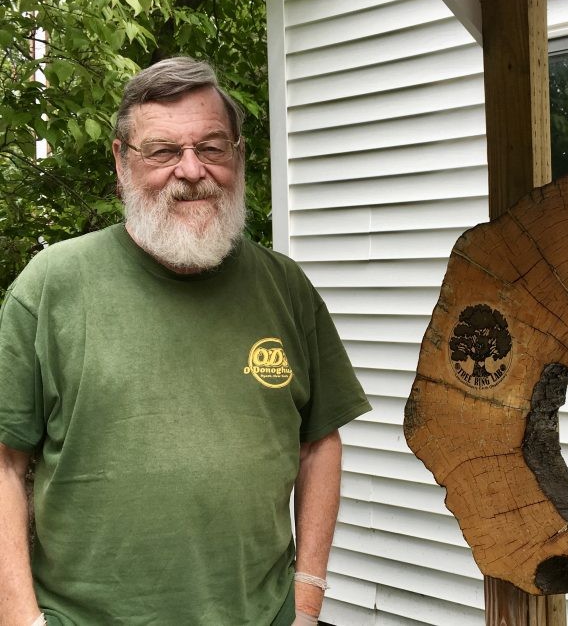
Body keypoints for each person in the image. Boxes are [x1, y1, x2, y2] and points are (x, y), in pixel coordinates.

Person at [0, 57, 371, 626]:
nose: (192, 170)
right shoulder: (51, 286)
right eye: (163, 151)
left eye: (212, 147)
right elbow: (4, 462)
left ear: (239, 156)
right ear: (122, 161)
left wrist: (307, 602)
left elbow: (319, 444)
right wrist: (21, 620)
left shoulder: (285, 288)